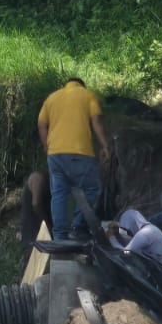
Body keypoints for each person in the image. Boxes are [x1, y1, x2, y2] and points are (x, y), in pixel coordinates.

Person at [38, 77, 111, 240]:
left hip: (55, 155)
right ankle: (78, 227)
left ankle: (59, 236)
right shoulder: (88, 95)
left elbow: (41, 124)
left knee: (59, 194)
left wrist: (46, 145)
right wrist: (105, 146)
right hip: (80, 152)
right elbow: (97, 123)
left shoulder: (52, 98)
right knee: (93, 189)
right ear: (81, 85)